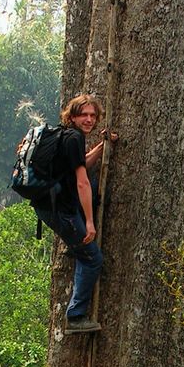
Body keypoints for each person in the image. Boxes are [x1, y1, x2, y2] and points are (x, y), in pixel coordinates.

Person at [33, 94, 117, 334]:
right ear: (72, 117)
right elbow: (82, 183)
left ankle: (75, 245)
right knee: (93, 259)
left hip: (50, 205)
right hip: (60, 209)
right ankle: (76, 316)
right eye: (84, 115)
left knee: (83, 248)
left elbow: (80, 165)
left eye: (93, 115)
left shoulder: (66, 136)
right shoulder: (73, 138)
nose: (89, 120)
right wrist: (90, 223)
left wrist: (103, 146)